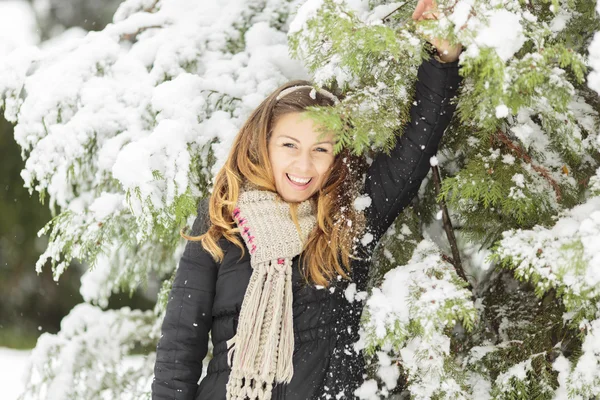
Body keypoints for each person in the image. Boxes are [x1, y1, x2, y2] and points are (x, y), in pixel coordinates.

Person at [152, 1, 463, 399]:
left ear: (337, 156)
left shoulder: (348, 217)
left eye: (321, 149)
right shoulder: (222, 217)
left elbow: (415, 148)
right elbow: (180, 344)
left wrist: (441, 58)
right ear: (263, 143)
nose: (303, 164)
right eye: (289, 145)